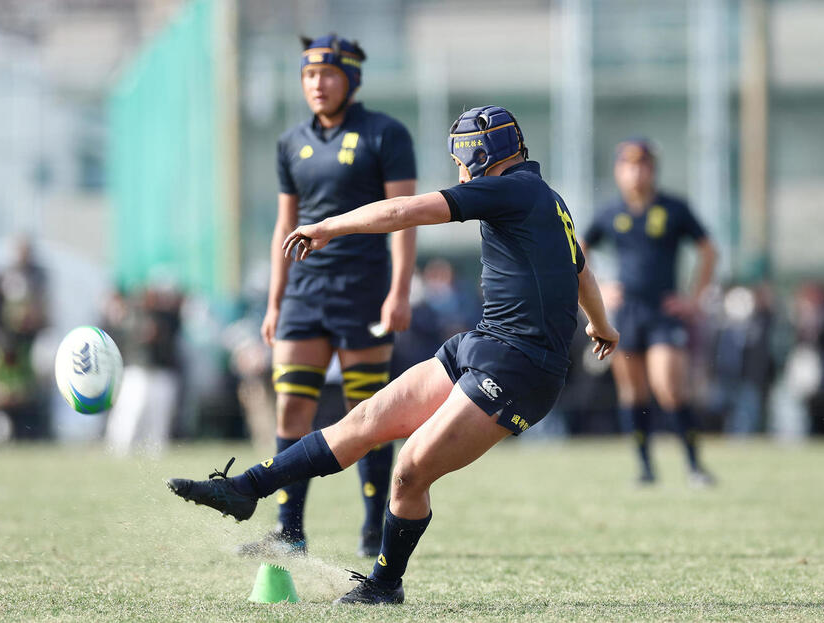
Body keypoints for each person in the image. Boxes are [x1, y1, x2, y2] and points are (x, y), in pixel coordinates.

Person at [166, 105, 619, 604]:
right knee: (364, 421)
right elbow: (580, 268)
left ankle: (385, 584)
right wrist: (601, 325)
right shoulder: (542, 197)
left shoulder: (509, 189)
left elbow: (406, 210)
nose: (458, 171)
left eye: (459, 159)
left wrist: (329, 226)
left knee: (410, 470)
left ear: (478, 154)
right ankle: (247, 488)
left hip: (521, 369)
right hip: (484, 343)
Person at [249, 33, 418, 557]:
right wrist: (275, 302)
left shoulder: (385, 134)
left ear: (352, 78)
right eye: (307, 75)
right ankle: (289, 531)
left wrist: (399, 292)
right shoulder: (289, 142)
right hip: (303, 295)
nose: (316, 84)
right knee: (289, 412)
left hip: (363, 293)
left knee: (367, 413)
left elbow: (406, 219)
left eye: (326, 74)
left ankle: (374, 527)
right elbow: (284, 228)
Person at [580, 139, 717, 486]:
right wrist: (602, 289)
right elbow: (579, 249)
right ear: (618, 171)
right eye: (629, 165)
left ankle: (694, 466)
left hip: (662, 312)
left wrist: (694, 299)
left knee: (668, 387)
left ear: (653, 170)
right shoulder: (611, 212)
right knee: (633, 394)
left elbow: (709, 251)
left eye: (643, 165)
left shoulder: (673, 208)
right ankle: (645, 469)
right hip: (626, 314)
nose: (637, 172)